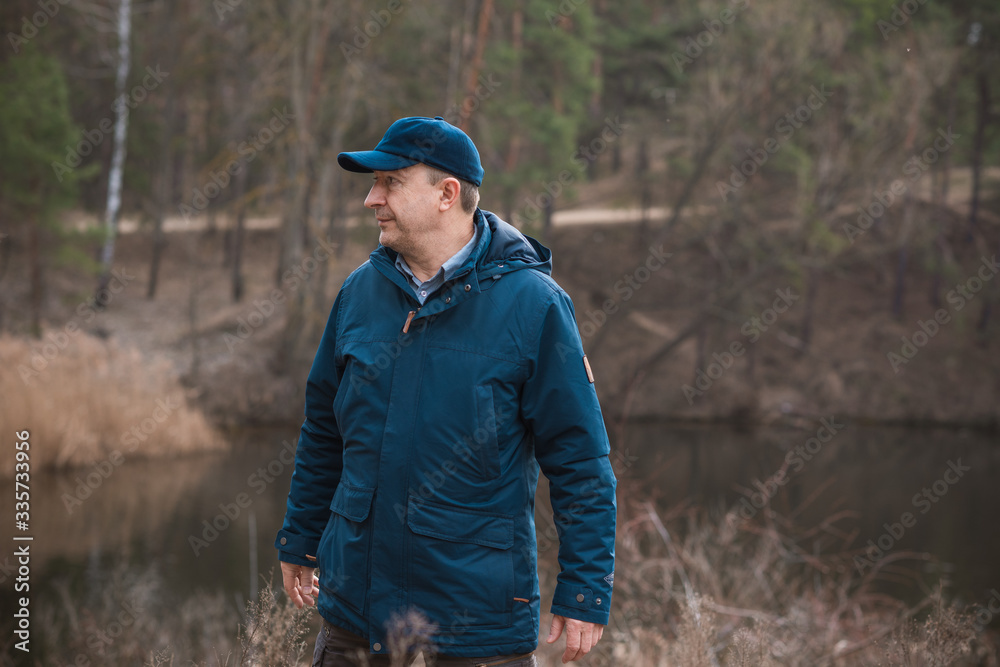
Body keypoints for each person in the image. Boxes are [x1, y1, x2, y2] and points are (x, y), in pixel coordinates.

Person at [275, 116, 617, 666]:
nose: (371, 199)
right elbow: (324, 429)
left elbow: (580, 459)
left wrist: (585, 590)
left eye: (389, 183)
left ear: (446, 193)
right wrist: (301, 536)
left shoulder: (536, 305)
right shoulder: (360, 292)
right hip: (355, 622)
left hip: (472, 628)